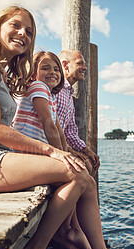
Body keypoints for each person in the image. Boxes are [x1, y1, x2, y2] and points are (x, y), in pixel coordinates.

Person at [0, 6, 123, 249]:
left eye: (29, 31)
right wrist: (52, 152)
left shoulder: (0, 71)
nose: (22, 34)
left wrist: (58, 152)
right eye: (15, 26)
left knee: (86, 179)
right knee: (75, 173)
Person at [12, 50, 93, 249]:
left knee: (83, 175)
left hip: (34, 154)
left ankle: (73, 228)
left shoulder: (49, 95)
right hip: (24, 154)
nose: (53, 72)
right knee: (78, 174)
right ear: (33, 72)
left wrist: (67, 152)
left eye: (56, 69)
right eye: (45, 68)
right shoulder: (37, 87)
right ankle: (66, 231)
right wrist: (60, 154)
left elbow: (59, 131)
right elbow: (49, 126)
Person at [55, 49, 100, 177]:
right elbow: (47, 127)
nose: (85, 68)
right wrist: (69, 151)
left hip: (60, 147)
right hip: (49, 149)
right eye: (80, 63)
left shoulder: (68, 94)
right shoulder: (55, 90)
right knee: (84, 168)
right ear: (65, 65)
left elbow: (70, 132)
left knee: (89, 163)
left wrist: (86, 151)